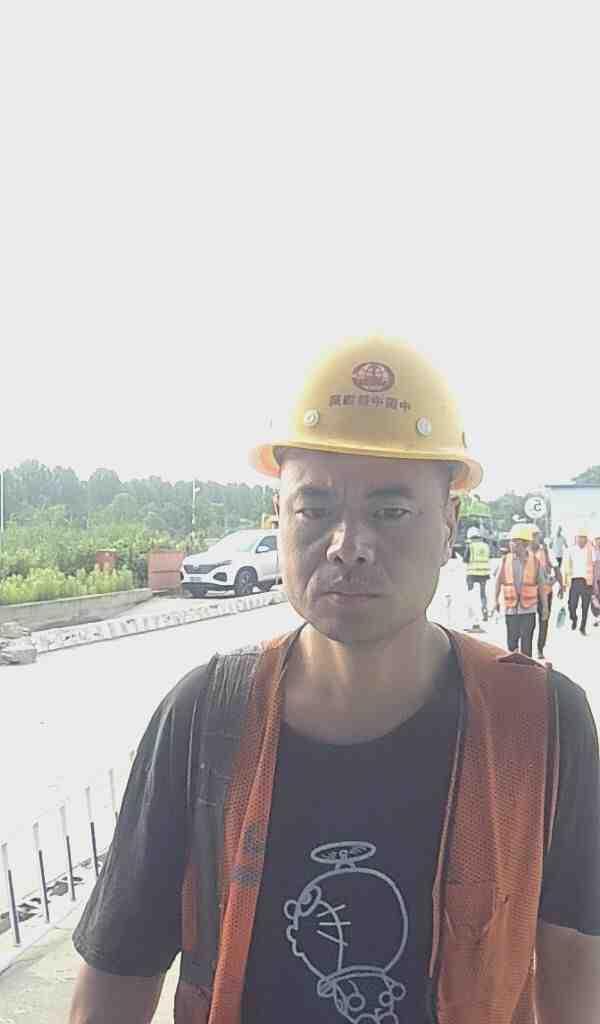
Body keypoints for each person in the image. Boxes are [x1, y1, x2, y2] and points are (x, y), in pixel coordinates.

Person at [69, 336, 600, 1024]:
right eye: (314, 509)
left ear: (449, 524)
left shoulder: (540, 724)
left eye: (390, 511)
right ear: (281, 517)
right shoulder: (206, 717)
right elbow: (116, 978)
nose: (348, 545)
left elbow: (576, 969)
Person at [494, 523, 548, 657]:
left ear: (525, 544)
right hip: (511, 609)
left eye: (515, 542)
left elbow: (542, 586)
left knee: (526, 642)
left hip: (529, 609)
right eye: (511, 542)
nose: (511, 545)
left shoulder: (535, 562)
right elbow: (498, 581)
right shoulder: (505, 560)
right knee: (511, 642)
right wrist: (495, 600)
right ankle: (514, 665)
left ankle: (526, 666)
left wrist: (545, 607)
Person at [529, 525, 564, 659]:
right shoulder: (524, 552)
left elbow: (556, 569)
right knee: (529, 624)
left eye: (536, 536)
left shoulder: (546, 551)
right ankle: (527, 649)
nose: (534, 539)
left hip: (546, 592)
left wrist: (560, 585)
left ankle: (540, 648)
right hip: (529, 594)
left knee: (544, 621)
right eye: (532, 536)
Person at [563, 529, 594, 635]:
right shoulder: (571, 550)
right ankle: (574, 618)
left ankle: (582, 627)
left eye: (583, 538)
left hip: (587, 582)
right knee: (571, 605)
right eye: (579, 538)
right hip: (574, 581)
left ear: (586, 539)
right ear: (576, 538)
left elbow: (595, 566)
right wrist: (564, 583)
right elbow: (565, 567)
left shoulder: (591, 550)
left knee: (585, 607)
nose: (581, 540)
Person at [463, 524, 490, 632]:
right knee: (483, 594)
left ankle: (471, 613)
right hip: (484, 573)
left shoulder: (470, 546)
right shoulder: (485, 546)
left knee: (470, 594)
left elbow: (465, 559)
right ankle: (484, 610)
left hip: (472, 573)